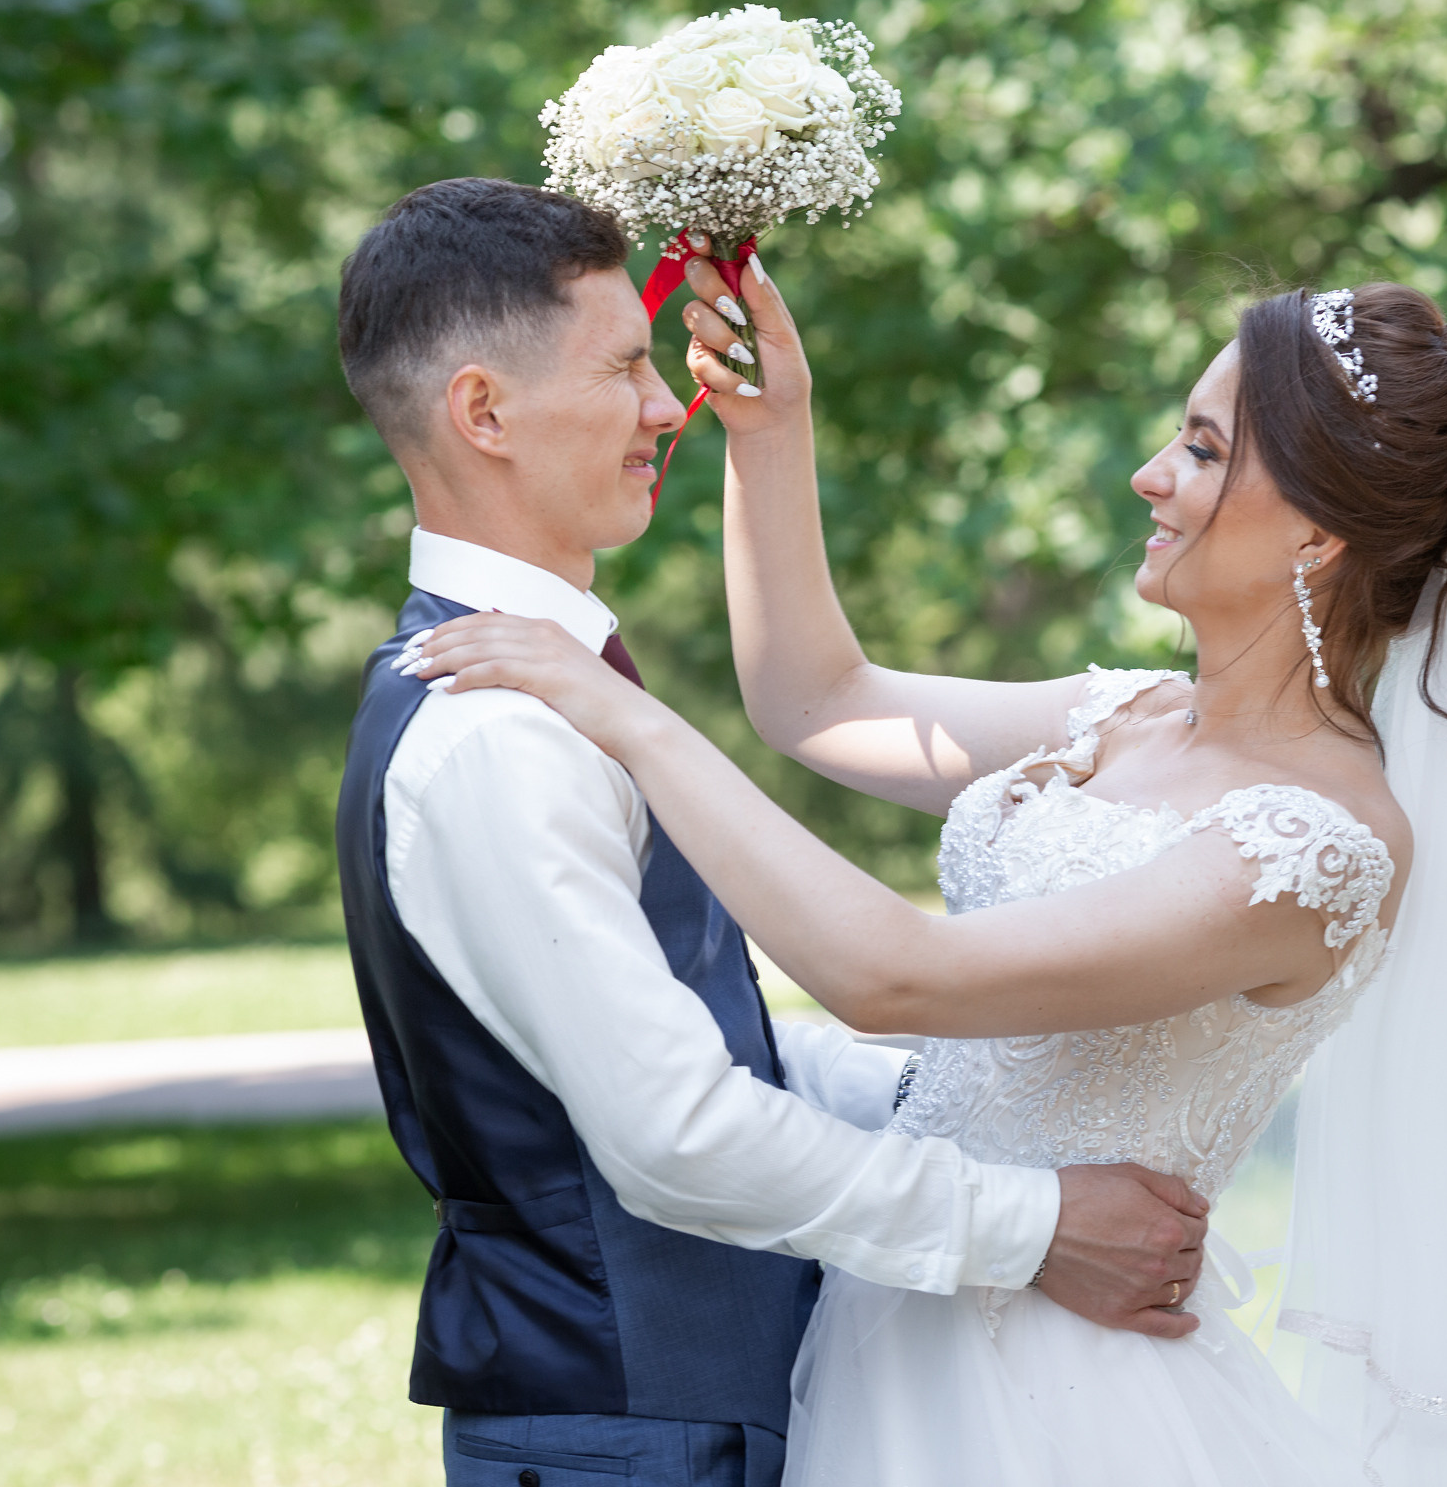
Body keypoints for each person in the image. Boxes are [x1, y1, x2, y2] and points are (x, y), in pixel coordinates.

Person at [413, 246, 1447, 1484]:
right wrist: (773, 430)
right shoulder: (1128, 714)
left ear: (1317, 531)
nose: (1151, 473)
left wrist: (630, 719)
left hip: (1054, 1397)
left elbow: (895, 976)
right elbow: (819, 701)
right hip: (903, 1329)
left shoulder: (1314, 846)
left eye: (1204, 451)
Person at [330, 178, 1216, 1487]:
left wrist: (962, 1103)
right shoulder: (495, 733)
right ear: (484, 411)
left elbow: (691, 1027)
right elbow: (678, 1135)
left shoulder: (536, 686)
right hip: (632, 1436)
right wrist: (1032, 1224)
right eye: (624, 368)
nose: (662, 406)